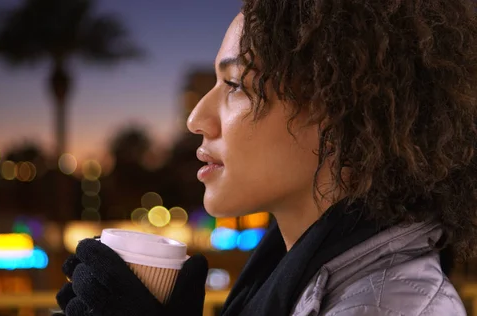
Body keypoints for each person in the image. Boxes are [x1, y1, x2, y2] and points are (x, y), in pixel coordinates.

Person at [55, 0, 477, 315]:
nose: (197, 118)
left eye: (236, 84)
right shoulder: (286, 279)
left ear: (346, 105)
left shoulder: (392, 307)